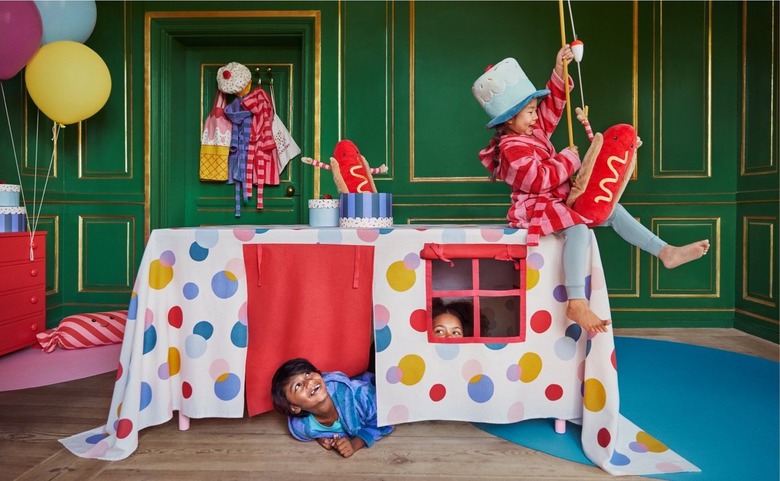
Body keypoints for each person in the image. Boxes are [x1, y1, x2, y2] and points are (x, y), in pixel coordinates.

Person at [472, 46, 710, 333]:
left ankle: (665, 252)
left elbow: (552, 109)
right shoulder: (510, 147)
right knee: (578, 229)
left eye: (535, 111)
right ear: (509, 119)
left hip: (556, 199)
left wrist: (560, 70)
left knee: (610, 209)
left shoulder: (531, 132)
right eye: (530, 112)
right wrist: (568, 160)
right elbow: (536, 180)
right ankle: (576, 301)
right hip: (535, 207)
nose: (536, 117)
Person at [270, 358, 393, 458]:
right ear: (295, 408)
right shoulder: (303, 427)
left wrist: (356, 443)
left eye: (307, 374)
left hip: (384, 383)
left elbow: (387, 418)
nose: (309, 382)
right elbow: (309, 433)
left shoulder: (360, 395)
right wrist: (322, 437)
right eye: (298, 385)